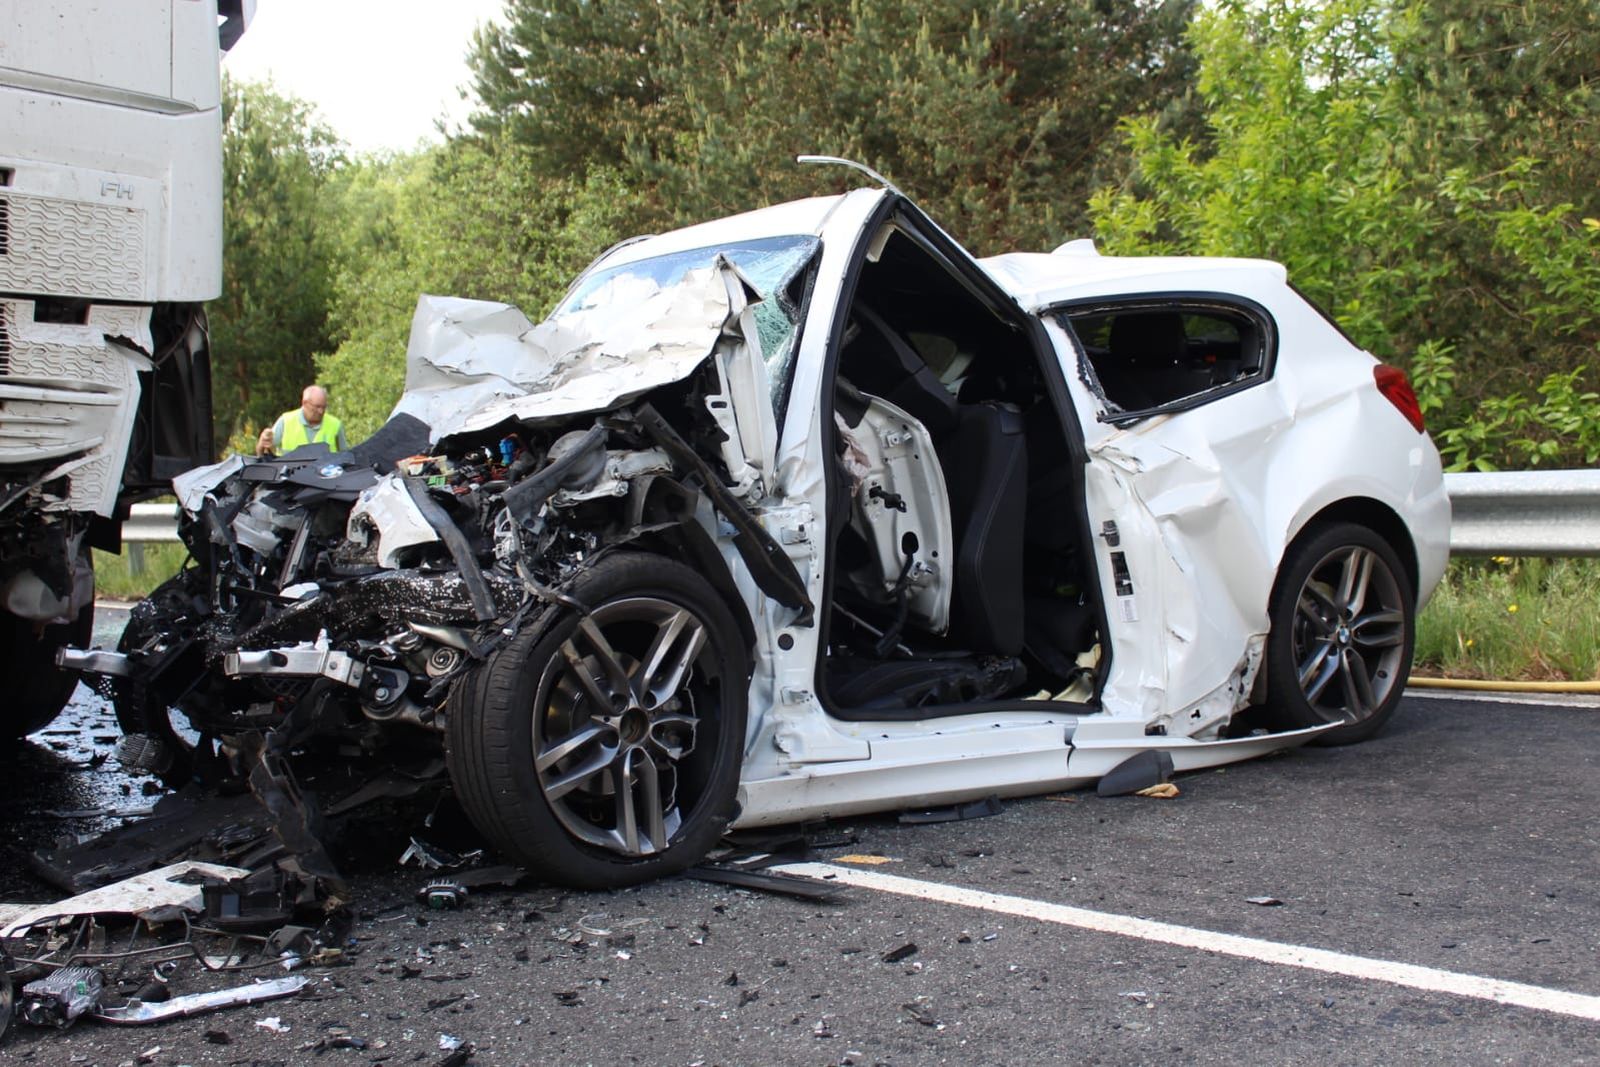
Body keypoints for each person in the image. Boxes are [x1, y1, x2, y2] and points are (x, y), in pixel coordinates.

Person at [256, 384, 347, 456]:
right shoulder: (286, 421)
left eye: (324, 407)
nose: (321, 411)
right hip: (290, 474)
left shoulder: (335, 425)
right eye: (317, 407)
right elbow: (262, 452)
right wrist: (262, 442)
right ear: (304, 403)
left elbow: (346, 457)